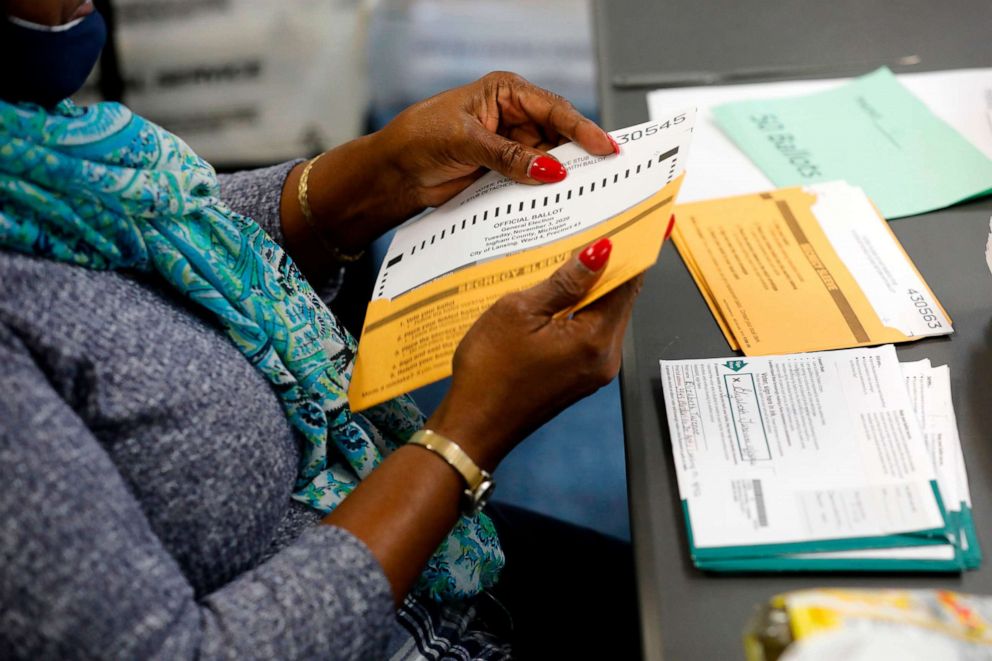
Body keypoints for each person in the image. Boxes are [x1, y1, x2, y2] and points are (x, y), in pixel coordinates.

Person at [0, 0, 643, 658]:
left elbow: (156, 240)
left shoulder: (31, 155)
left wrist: (384, 169)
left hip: (421, 554)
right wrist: (466, 437)